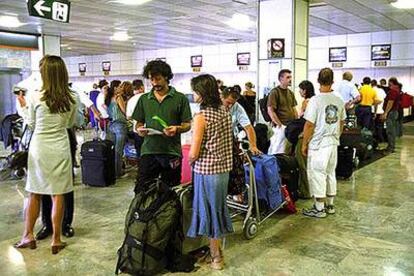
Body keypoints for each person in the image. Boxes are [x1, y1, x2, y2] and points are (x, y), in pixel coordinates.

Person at [14, 55, 78, 254]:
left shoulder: (34, 96)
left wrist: (23, 107)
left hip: (39, 147)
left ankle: (28, 235)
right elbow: (69, 123)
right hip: (60, 146)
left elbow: (31, 124)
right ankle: (56, 240)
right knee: (58, 194)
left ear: (45, 74)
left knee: (35, 193)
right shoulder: (73, 97)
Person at [187, 74, 233, 270]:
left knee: (209, 213)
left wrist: (189, 160)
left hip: (206, 171)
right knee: (217, 209)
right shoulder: (224, 112)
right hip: (222, 171)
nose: (193, 94)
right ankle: (214, 251)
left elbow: (194, 151)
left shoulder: (201, 117)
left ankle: (216, 257)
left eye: (195, 91)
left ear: (202, 93)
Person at [132, 60, 192, 192]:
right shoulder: (144, 99)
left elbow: (187, 124)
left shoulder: (180, 99)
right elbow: (139, 123)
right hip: (149, 150)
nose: (154, 83)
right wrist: (139, 130)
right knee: (142, 189)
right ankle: (145, 213)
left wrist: (177, 129)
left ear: (166, 77)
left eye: (158, 79)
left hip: (171, 152)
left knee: (170, 190)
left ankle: (167, 213)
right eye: (151, 79)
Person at [301, 68, 346, 218]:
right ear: (333, 81)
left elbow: (309, 125)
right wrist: (336, 136)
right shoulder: (339, 100)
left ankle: (319, 208)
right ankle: (330, 205)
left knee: (317, 173)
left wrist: (304, 144)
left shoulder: (315, 100)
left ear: (318, 81)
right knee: (330, 172)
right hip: (333, 142)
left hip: (319, 143)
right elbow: (342, 122)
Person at [220, 86, 261, 202]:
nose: (230, 106)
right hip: (215, 140)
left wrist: (253, 145)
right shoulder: (213, 106)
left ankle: (236, 192)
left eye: (232, 103)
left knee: (237, 165)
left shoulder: (237, 107)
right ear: (221, 97)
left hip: (229, 139)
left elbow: (248, 127)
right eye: (228, 102)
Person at [267, 69, 298, 154]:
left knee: (287, 151)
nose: (290, 79)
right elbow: (270, 110)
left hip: (290, 127)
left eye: (290, 77)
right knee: (277, 151)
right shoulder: (275, 92)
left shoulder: (290, 93)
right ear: (281, 79)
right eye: (288, 77)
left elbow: (293, 108)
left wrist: (296, 122)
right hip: (280, 127)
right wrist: (280, 125)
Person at [107, 81, 133, 178]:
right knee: (118, 151)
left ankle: (111, 171)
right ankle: (118, 173)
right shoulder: (119, 97)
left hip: (111, 125)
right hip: (120, 125)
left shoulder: (110, 98)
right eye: (120, 87)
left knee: (112, 150)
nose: (121, 88)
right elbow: (125, 112)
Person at [126, 79, 146, 160]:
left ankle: (141, 170)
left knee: (140, 153)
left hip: (137, 130)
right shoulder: (148, 97)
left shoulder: (131, 100)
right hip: (150, 130)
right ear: (142, 87)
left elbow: (128, 116)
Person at [381, 77, 401, 153]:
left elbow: (390, 102)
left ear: (392, 83)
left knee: (390, 131)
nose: (388, 85)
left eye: (389, 83)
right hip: (393, 112)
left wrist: (385, 113)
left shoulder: (393, 91)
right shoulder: (396, 91)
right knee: (391, 130)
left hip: (391, 112)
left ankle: (390, 148)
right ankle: (391, 146)